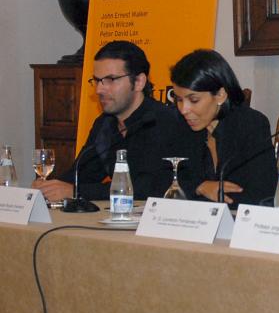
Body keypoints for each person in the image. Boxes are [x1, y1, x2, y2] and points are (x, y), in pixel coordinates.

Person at [33, 41, 193, 202]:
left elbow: (149, 188)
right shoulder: (105, 124)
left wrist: (76, 191)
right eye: (97, 80)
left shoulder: (165, 122)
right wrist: (50, 188)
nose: (99, 90)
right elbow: (80, 174)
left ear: (139, 82)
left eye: (110, 80)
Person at [170, 49, 276, 206]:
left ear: (220, 95)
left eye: (193, 100)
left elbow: (261, 193)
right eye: (178, 99)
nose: (184, 109)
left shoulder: (251, 124)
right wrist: (199, 187)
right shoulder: (180, 124)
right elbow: (159, 179)